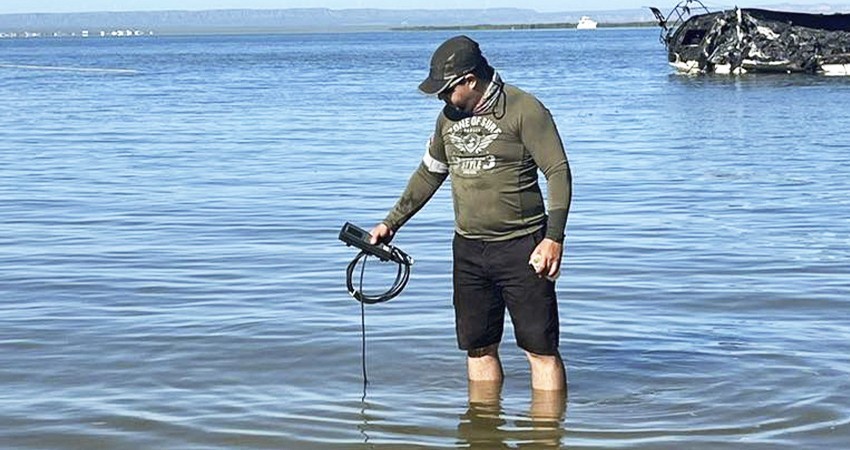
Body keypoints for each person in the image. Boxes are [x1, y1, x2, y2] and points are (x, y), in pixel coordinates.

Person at [369, 35, 572, 391]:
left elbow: (558, 172)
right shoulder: (447, 118)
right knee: (478, 347)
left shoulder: (525, 109)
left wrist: (553, 238)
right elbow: (429, 173)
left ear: (469, 80)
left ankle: (548, 425)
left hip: (523, 246)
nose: (441, 98)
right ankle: (482, 422)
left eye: (446, 90)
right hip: (469, 250)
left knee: (539, 349)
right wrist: (391, 222)